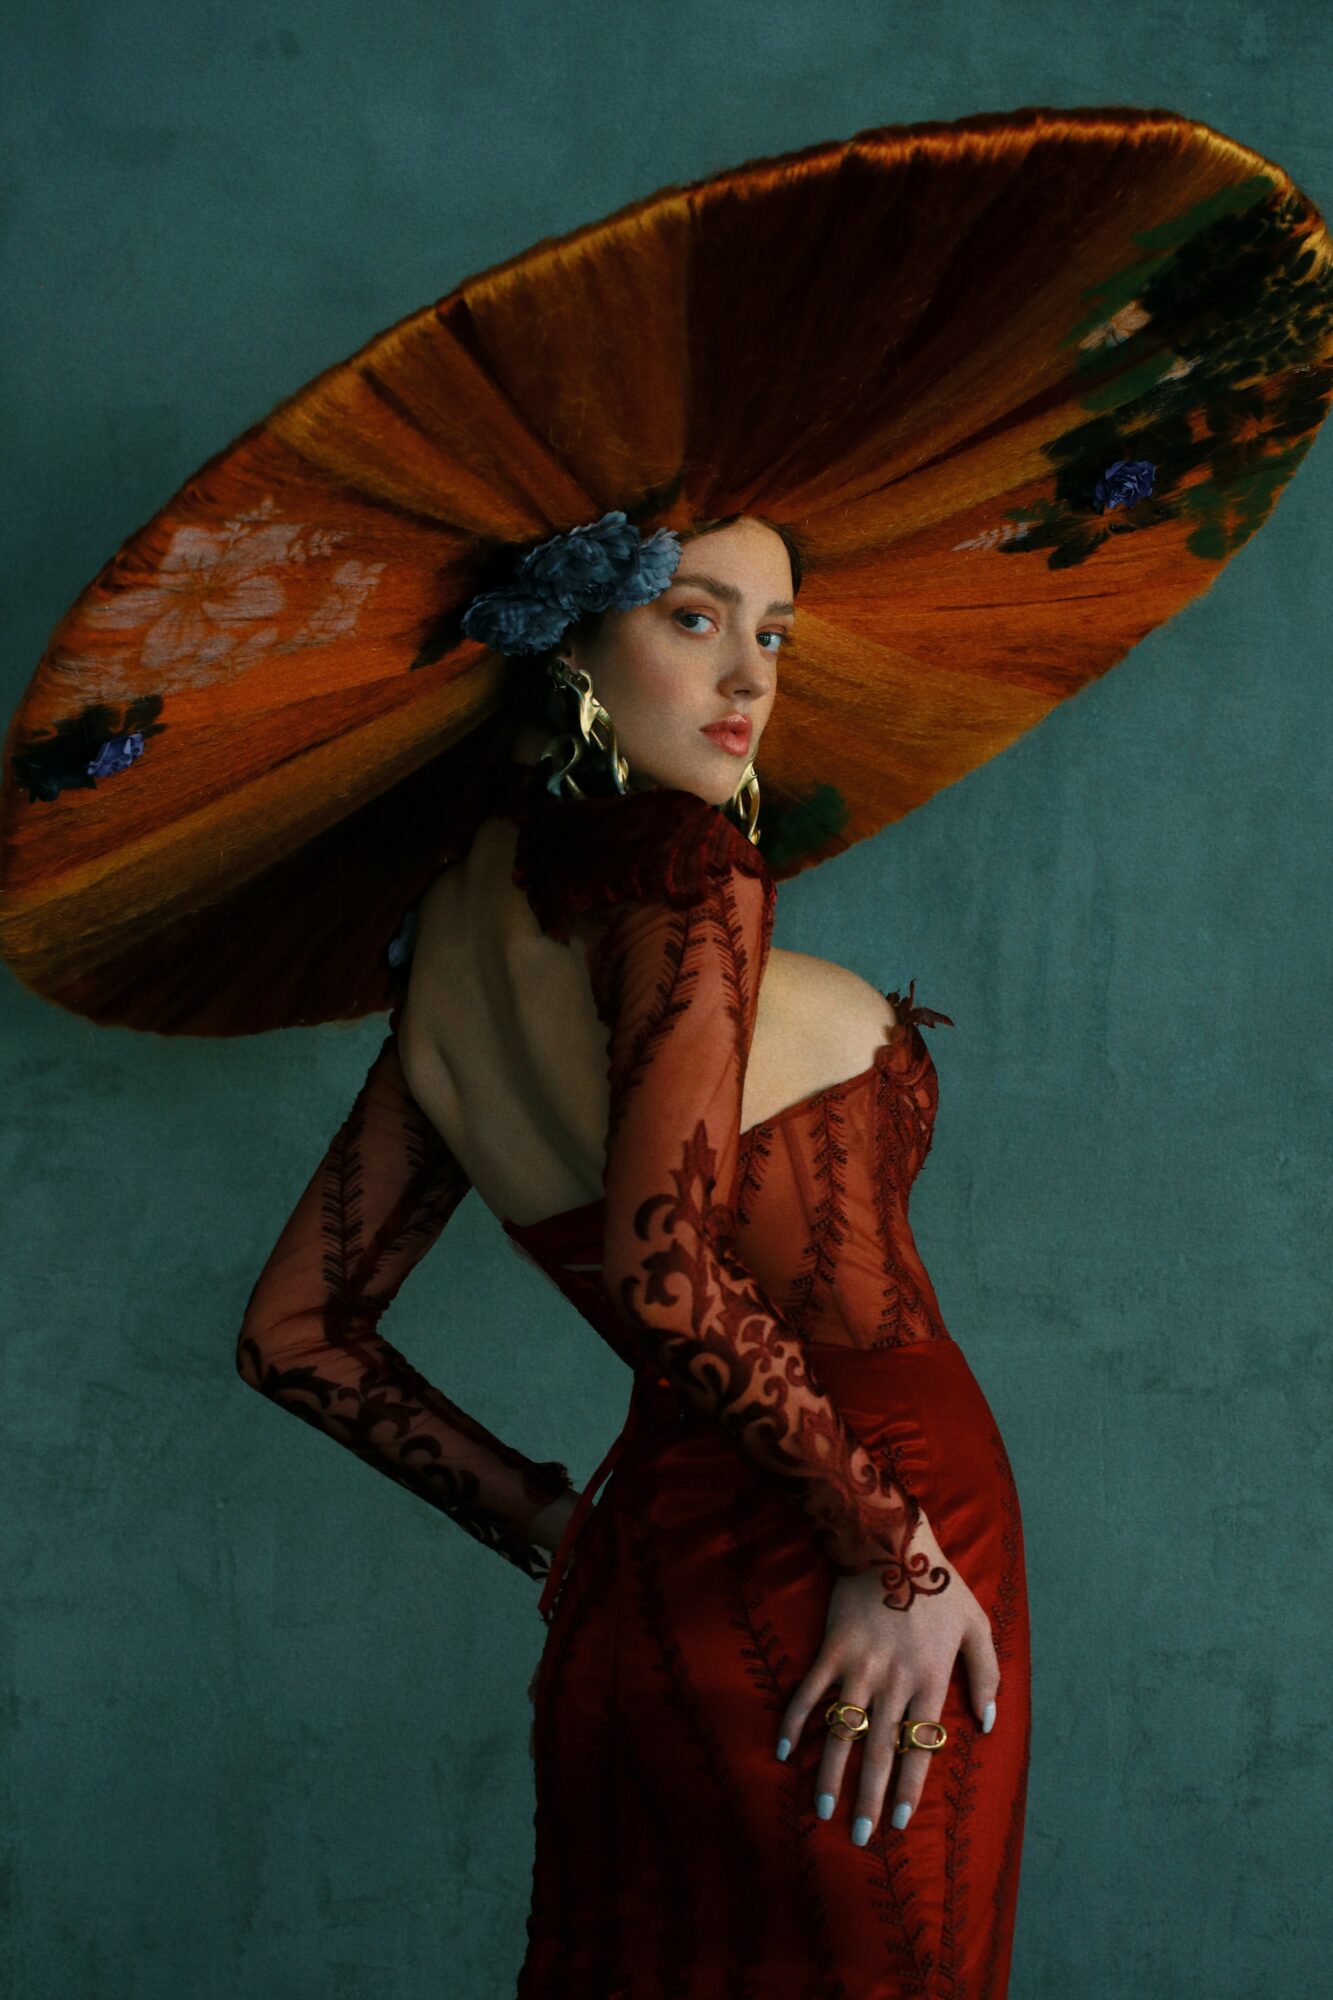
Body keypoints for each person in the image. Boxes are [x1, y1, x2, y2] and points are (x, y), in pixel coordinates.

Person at [236, 508, 1030, 1999]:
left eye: (773, 635)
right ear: (570, 641)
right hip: (866, 1544)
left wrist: (556, 1526)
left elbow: (296, 1337)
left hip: (645, 1578)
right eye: (693, 619)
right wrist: (896, 1557)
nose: (749, 680)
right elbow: (667, 1275)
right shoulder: (686, 869)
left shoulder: (448, 943)